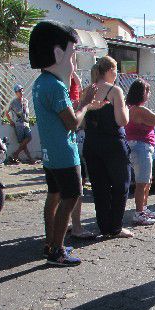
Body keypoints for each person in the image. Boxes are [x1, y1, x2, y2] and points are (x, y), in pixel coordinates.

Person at [29, 21, 105, 265]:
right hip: (64, 153)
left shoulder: (40, 83)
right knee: (70, 198)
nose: (73, 64)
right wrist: (84, 103)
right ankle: (57, 250)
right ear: (58, 53)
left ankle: (49, 243)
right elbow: (72, 123)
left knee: (53, 196)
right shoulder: (56, 86)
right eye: (72, 56)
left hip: (50, 154)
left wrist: (82, 104)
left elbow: (60, 115)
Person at [83, 56, 133, 238]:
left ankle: (104, 226)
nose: (117, 74)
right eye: (116, 70)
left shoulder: (87, 90)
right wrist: (126, 108)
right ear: (111, 70)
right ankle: (115, 227)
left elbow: (82, 122)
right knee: (122, 185)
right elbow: (122, 120)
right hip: (113, 144)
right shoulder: (114, 91)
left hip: (91, 143)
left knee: (99, 187)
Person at [126, 78, 155, 226]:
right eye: (147, 91)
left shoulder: (132, 109)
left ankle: (143, 208)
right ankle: (139, 213)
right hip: (141, 147)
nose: (148, 94)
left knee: (147, 180)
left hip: (142, 146)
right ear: (141, 93)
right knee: (142, 181)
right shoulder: (139, 109)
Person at [67, 70, 95, 240]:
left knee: (72, 187)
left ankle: (72, 223)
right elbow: (77, 122)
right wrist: (84, 104)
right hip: (74, 144)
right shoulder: (73, 99)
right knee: (77, 187)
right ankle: (76, 226)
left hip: (71, 143)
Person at [5, 84, 37, 164]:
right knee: (23, 143)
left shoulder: (25, 101)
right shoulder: (13, 102)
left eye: (22, 90)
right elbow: (6, 112)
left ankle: (16, 153)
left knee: (29, 137)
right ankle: (30, 158)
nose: (21, 92)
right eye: (19, 91)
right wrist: (11, 121)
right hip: (18, 124)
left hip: (26, 123)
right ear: (16, 92)